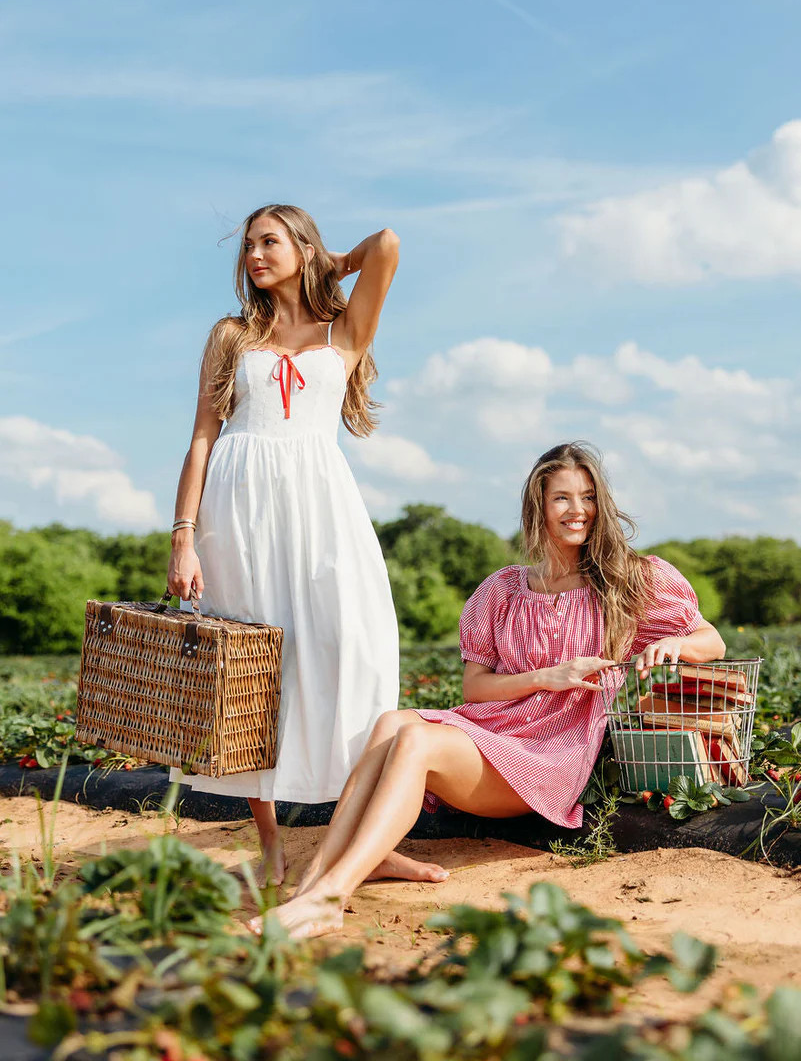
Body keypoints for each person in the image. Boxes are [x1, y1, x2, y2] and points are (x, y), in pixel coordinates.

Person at [268, 441, 726, 938]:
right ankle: (320, 875)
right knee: (392, 722)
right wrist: (546, 677)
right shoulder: (503, 589)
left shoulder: (629, 580)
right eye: (562, 498)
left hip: (549, 752)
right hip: (493, 728)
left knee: (416, 738)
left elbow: (712, 640)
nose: (578, 510)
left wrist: (676, 643)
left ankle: (330, 898)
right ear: (539, 507)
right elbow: (475, 687)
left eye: (588, 497)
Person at [167, 204, 424, 887]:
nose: (254, 255)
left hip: (322, 507)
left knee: (359, 650)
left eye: (269, 242)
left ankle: (365, 842)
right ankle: (272, 848)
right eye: (248, 245)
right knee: (253, 672)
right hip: (237, 511)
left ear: (302, 247)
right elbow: (202, 437)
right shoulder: (231, 335)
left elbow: (388, 243)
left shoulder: (344, 332)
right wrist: (183, 536)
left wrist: (333, 264)